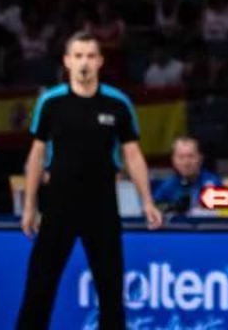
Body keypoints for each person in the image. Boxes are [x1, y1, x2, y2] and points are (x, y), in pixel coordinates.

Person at [15, 33, 163, 330]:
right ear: (67, 61)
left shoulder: (117, 103)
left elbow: (133, 155)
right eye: (78, 56)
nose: (84, 62)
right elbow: (37, 155)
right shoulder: (51, 102)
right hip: (58, 205)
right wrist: (29, 206)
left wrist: (147, 201)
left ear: (100, 61)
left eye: (90, 56)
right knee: (39, 286)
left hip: (102, 207)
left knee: (111, 291)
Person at [151, 135, 223, 215]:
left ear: (200, 158)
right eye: (181, 157)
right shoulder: (167, 185)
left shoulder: (212, 182)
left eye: (191, 156)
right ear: (173, 159)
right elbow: (154, 208)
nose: (186, 162)